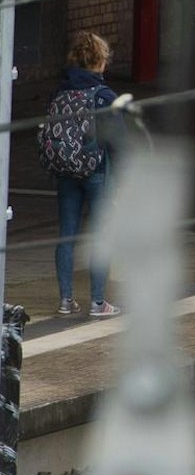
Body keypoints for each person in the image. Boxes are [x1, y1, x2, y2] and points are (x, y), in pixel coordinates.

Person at [46, 31, 120, 318]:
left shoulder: (60, 92)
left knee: (66, 233)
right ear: (101, 61)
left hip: (65, 170)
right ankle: (98, 302)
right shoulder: (104, 97)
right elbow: (119, 142)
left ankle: (66, 301)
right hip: (97, 172)